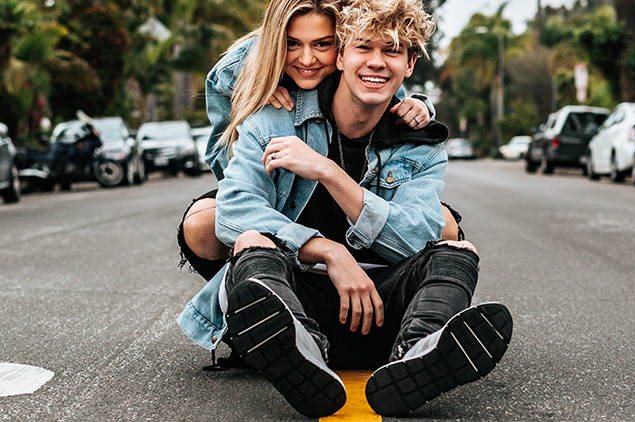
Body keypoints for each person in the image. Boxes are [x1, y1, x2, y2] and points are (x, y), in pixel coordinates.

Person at [177, 0, 512, 417]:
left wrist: (330, 172)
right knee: (247, 237)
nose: (376, 62)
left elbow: (414, 238)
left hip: (380, 304)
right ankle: (299, 351)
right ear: (343, 55)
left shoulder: (418, 144)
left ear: (409, 65)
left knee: (457, 248)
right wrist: (328, 250)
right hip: (300, 292)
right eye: (363, 48)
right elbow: (235, 210)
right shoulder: (270, 118)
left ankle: (417, 353)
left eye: (391, 52)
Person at [176, 0, 462, 282]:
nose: (307, 59)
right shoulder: (258, 85)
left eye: (322, 44)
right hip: (272, 186)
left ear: (338, 46)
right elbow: (227, 168)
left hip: (345, 189)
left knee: (444, 228)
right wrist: (257, 89)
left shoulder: (363, 44)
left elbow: (383, 68)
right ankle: (251, 294)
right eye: (292, 44)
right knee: (211, 224)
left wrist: (419, 106)